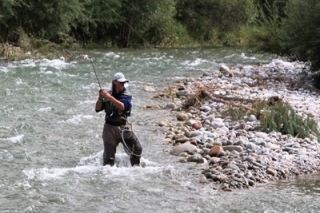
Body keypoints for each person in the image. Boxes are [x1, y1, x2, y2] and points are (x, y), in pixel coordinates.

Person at [95, 72, 142, 166]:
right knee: (109, 159)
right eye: (121, 82)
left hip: (123, 127)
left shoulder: (127, 95)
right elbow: (97, 108)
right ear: (114, 82)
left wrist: (110, 97)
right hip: (109, 129)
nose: (122, 84)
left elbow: (123, 107)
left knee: (137, 149)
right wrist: (100, 98)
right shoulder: (107, 95)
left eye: (123, 83)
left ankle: (135, 168)